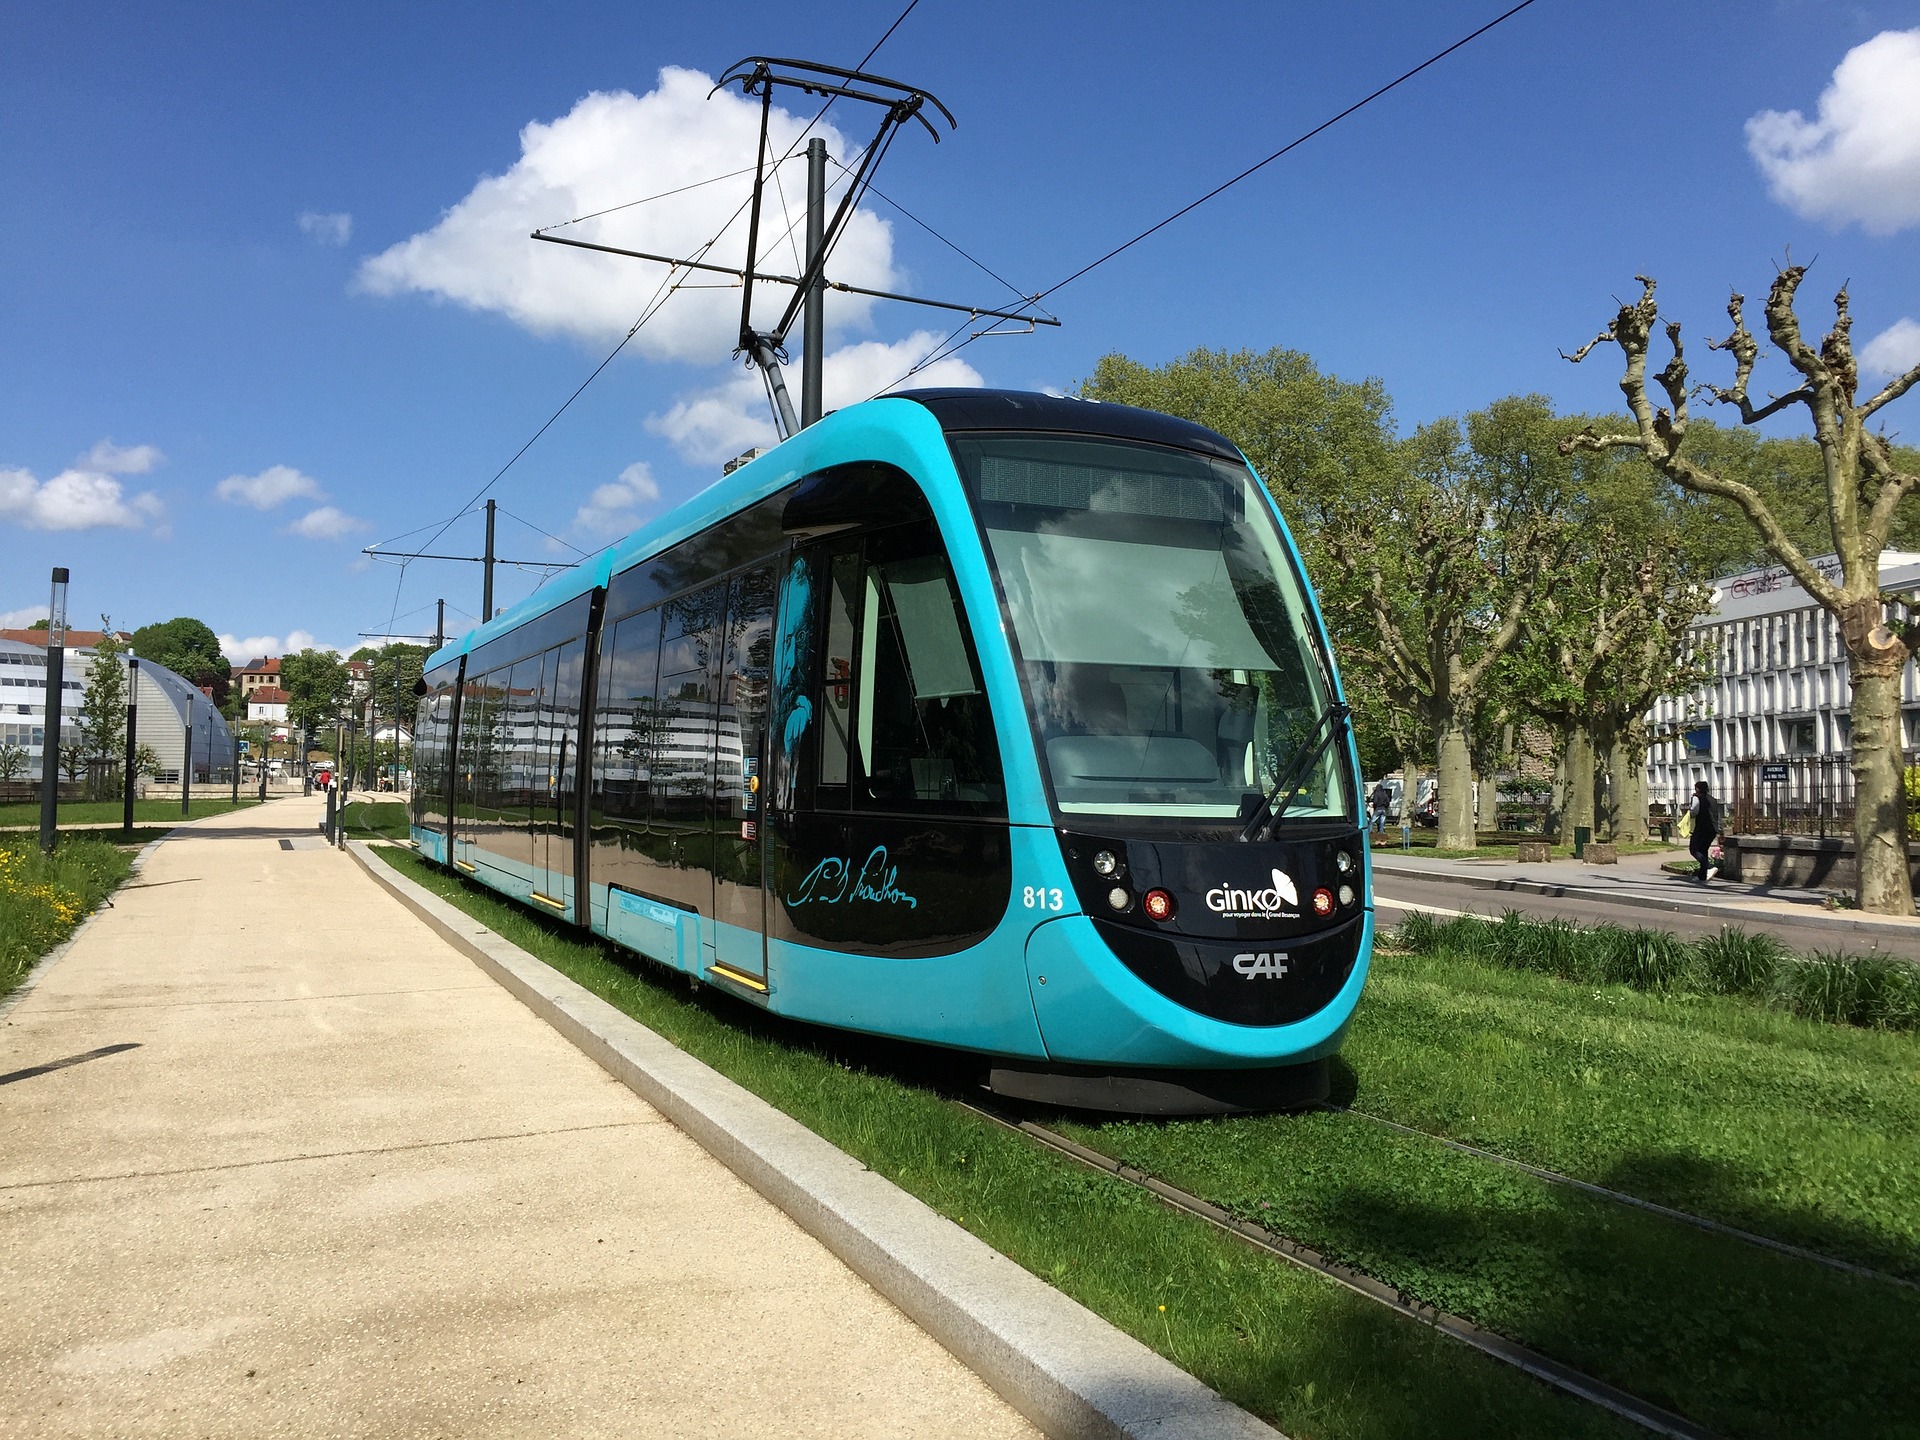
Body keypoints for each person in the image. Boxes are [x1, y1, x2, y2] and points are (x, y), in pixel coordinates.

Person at [1687, 779, 1721, 882]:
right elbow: (1717, 815)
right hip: (1712, 829)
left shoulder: (1697, 798)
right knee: (1703, 850)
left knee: (1694, 849)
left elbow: (1694, 811)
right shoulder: (1713, 799)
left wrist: (1691, 806)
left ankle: (1709, 867)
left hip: (1702, 828)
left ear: (1697, 789)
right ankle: (1702, 876)